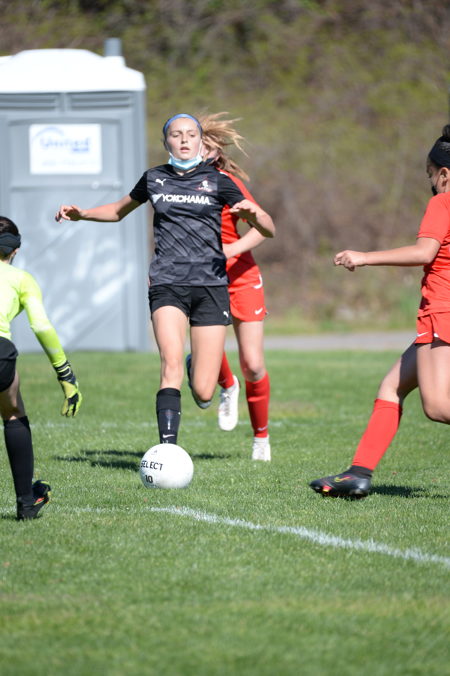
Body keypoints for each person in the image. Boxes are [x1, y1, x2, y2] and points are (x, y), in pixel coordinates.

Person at [55, 114, 275, 450]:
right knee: (170, 365)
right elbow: (118, 210)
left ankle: (200, 369)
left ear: (200, 142)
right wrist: (82, 213)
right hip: (167, 282)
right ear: (166, 142)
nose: (184, 139)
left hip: (210, 286)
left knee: (203, 392)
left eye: (190, 134)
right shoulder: (154, 178)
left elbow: (268, 229)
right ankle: (167, 450)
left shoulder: (219, 181)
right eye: (176, 134)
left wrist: (256, 216)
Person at [310, 124, 450, 499]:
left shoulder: (443, 202)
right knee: (391, 387)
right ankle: (358, 473)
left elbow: (424, 252)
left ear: (444, 174)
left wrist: (365, 257)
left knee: (438, 406)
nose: (430, 183)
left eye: (430, 175)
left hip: (441, 313)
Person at [199, 112, 272, 461]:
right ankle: (227, 384)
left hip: (241, 276)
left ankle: (261, 438)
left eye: (205, 145)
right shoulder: (172, 184)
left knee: (254, 364)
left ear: (216, 152)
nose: (197, 149)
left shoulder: (226, 182)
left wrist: (232, 249)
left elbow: (263, 226)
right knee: (208, 351)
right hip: (204, 278)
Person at [0, 216, 82, 520]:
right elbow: (41, 326)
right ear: (15, 250)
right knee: (12, 412)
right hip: (0, 352)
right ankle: (26, 503)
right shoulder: (21, 279)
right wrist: (66, 375)